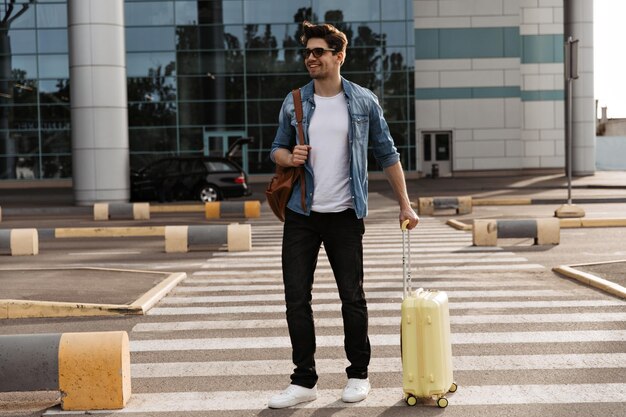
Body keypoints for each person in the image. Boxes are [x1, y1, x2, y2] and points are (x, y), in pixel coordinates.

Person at [267, 21, 419, 409]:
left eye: (318, 51)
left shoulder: (363, 101)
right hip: (302, 213)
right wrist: (290, 156)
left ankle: (358, 374)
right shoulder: (295, 101)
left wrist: (405, 202)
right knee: (296, 299)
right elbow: (276, 150)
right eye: (307, 52)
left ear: (339, 55)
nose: (310, 58)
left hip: (346, 215)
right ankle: (303, 380)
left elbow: (388, 154)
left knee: (352, 298)